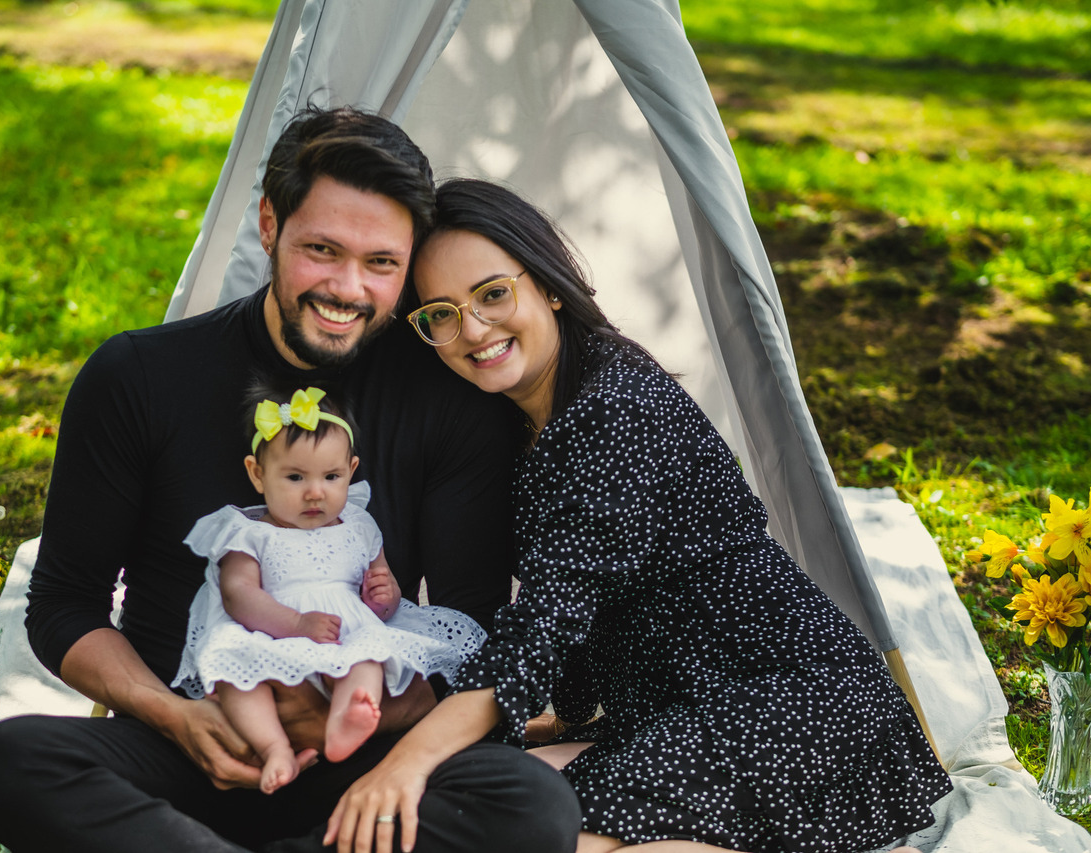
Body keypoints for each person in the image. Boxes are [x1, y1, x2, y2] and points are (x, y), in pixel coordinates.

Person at [0, 110, 580, 853]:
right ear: (268, 224)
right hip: (186, 748)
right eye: (323, 250)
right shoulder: (138, 377)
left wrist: (360, 717)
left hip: (359, 763)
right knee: (12, 758)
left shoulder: (447, 401)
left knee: (531, 803)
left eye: (381, 263)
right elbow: (63, 605)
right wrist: (174, 716)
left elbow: (463, 630)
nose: (348, 288)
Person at [325, 179, 953, 853]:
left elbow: (546, 621)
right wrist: (539, 719)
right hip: (671, 710)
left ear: (550, 285)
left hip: (790, 704)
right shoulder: (515, 419)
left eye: (492, 293)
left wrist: (407, 758)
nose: (473, 329)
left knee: (510, 828)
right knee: (479, 811)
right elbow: (574, 619)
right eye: (441, 314)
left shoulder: (612, 408)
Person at [172, 385, 486, 792]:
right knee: (236, 674)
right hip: (270, 634)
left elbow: (381, 592)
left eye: (331, 476)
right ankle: (274, 748)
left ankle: (349, 716)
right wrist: (296, 623)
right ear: (257, 473)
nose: (315, 491)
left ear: (351, 471)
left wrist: (383, 597)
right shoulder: (247, 532)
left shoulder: (358, 524)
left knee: (370, 653)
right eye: (296, 477)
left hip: (345, 630)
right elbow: (239, 595)